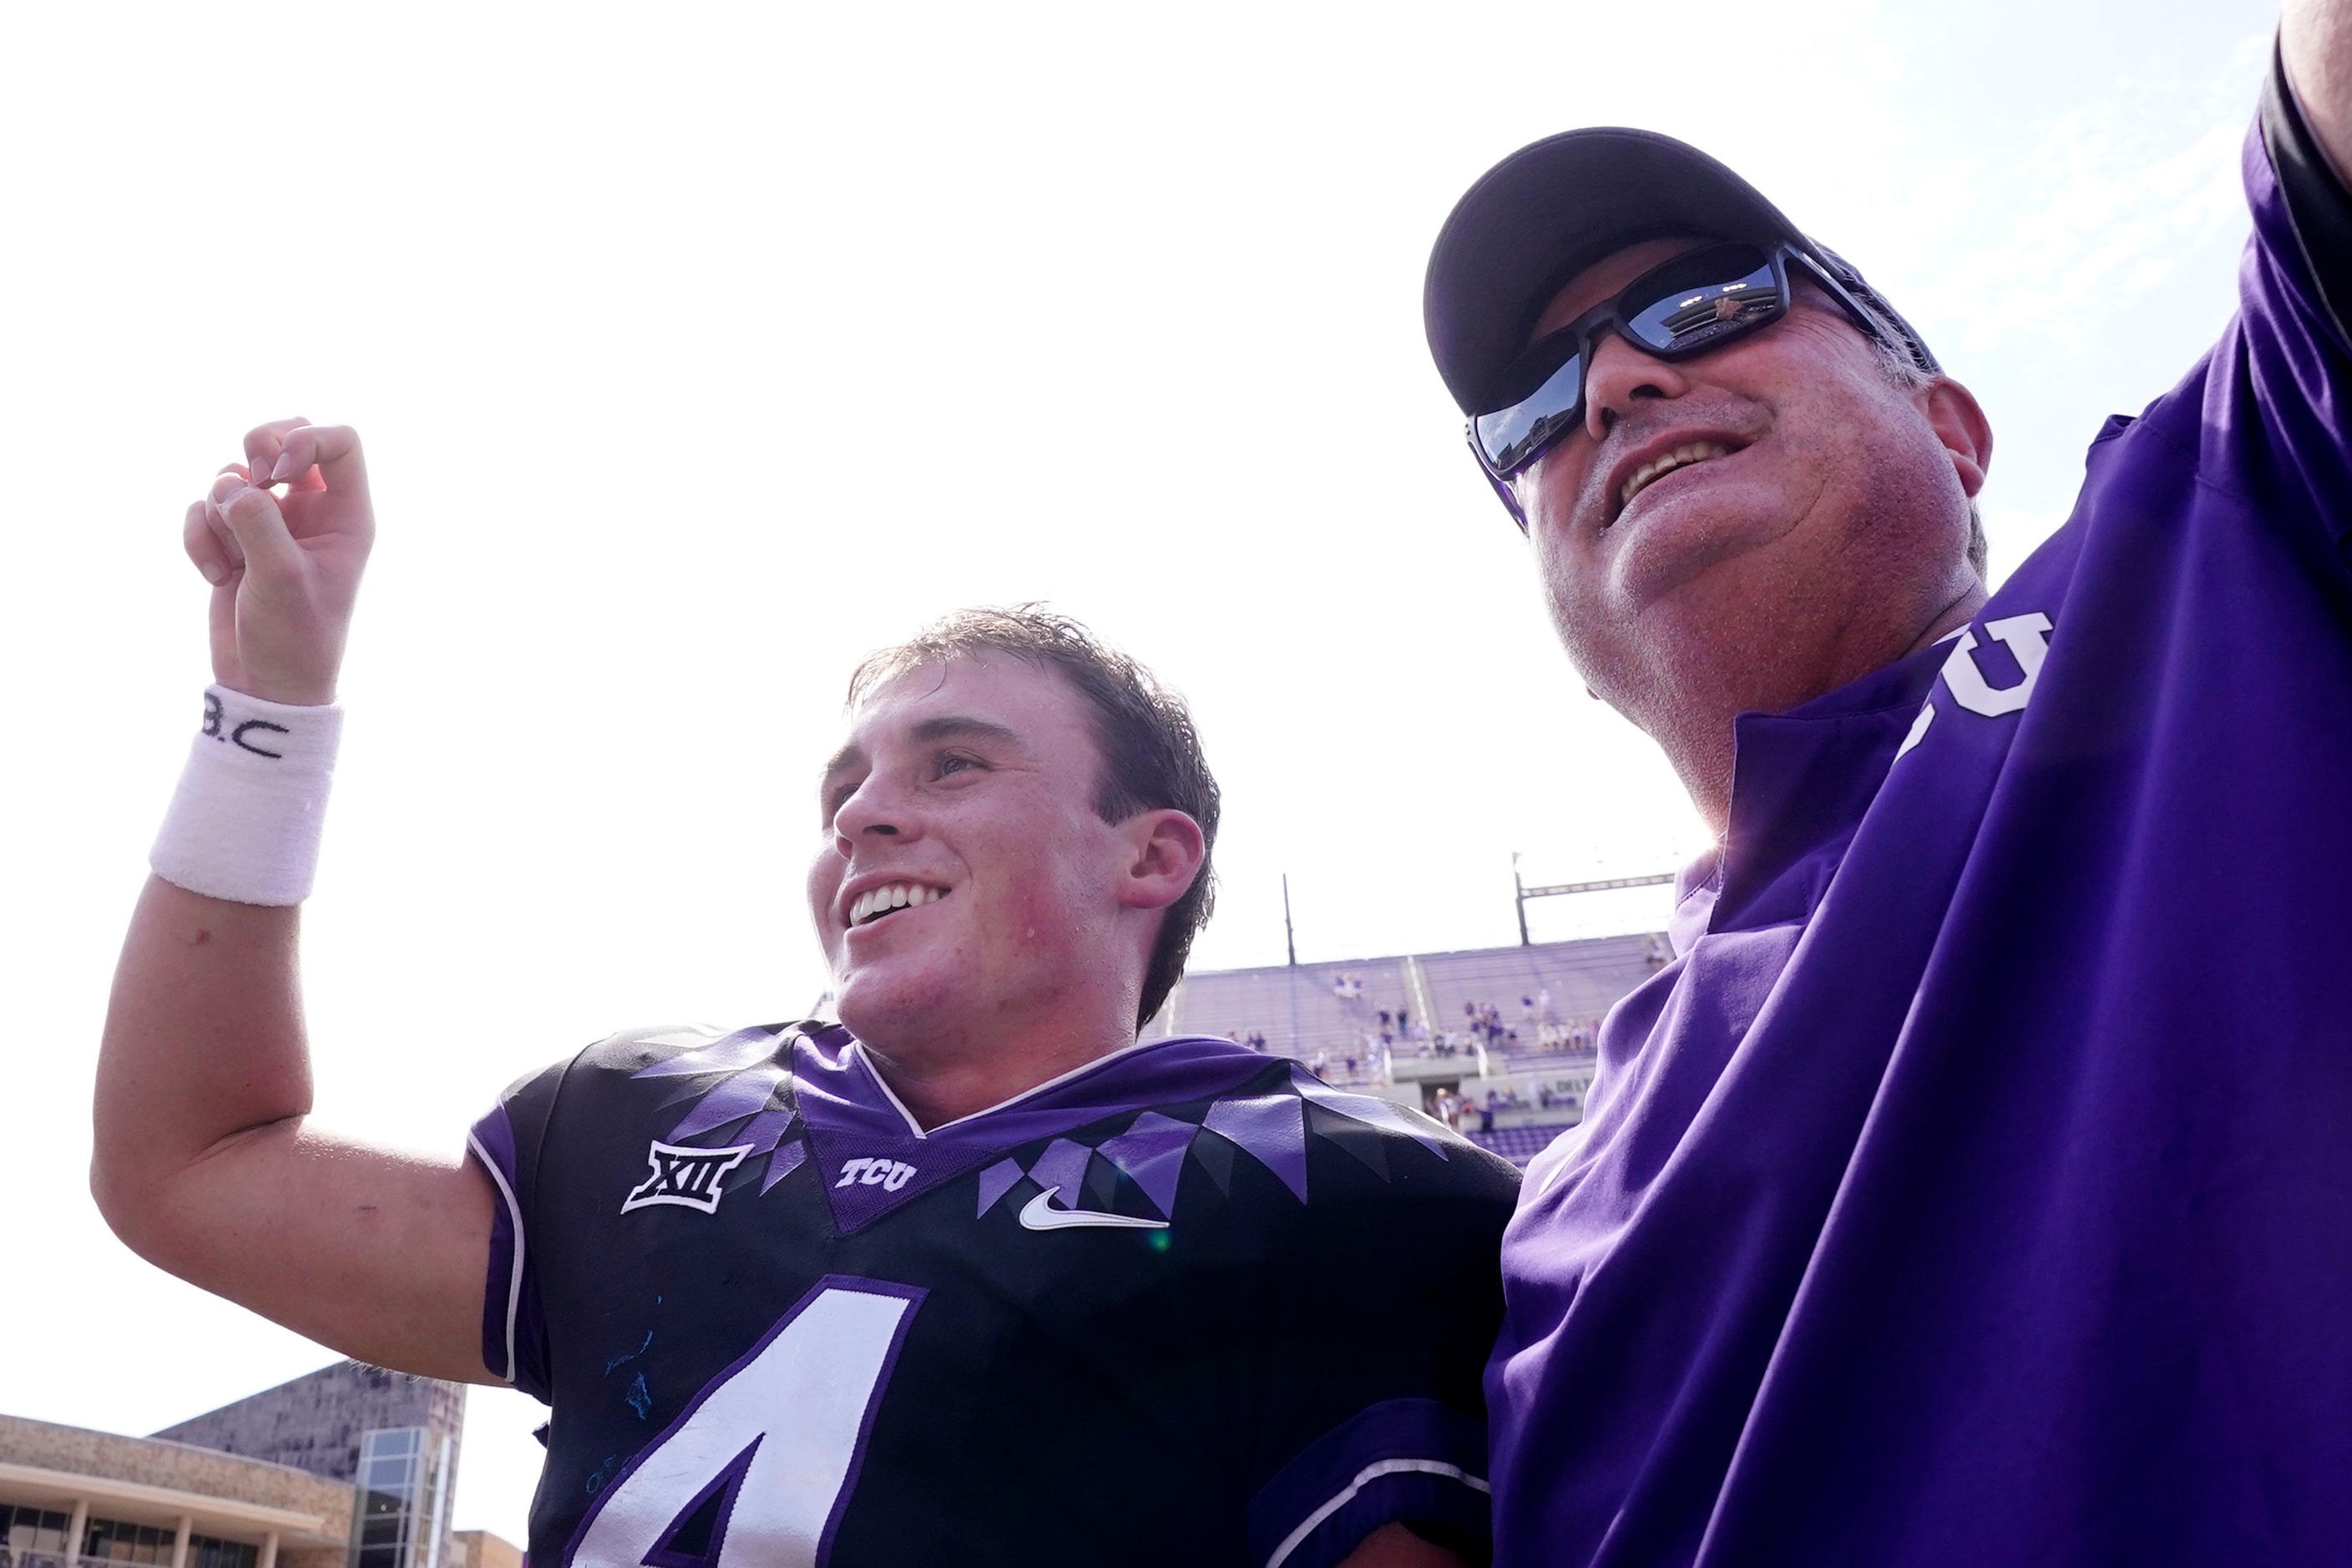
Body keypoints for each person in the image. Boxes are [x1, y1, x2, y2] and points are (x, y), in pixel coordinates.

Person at [93, 430, 1520, 1568]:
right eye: (845, 789)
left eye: (952, 765)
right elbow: (186, 1170)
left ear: (1149, 852)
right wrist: (270, 710)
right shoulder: (642, 1113)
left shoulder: (1339, 1189)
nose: (867, 819)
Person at [1422, 8, 2352, 1564]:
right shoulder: (1539, 1226)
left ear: (1953, 428)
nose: (1611, 384)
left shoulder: (2230, 522)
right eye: (1527, 411)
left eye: (1707, 302)